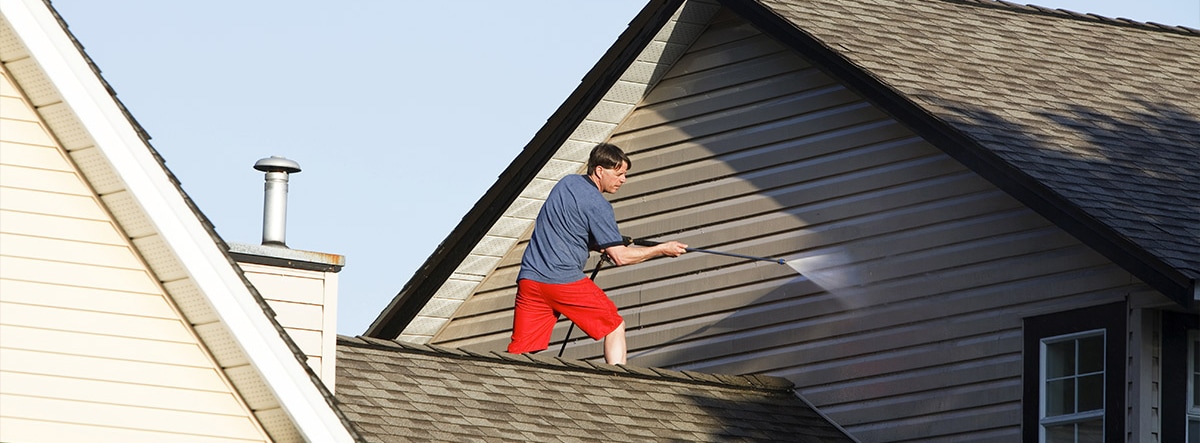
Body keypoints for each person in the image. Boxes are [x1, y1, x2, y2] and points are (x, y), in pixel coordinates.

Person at [507, 143, 688, 365]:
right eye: (619, 174)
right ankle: (618, 381)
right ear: (600, 170)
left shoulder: (567, 184)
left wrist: (598, 243)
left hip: (530, 280)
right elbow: (620, 257)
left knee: (522, 351)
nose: (623, 180)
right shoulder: (598, 205)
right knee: (614, 326)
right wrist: (662, 249)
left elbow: (568, 229)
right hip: (563, 281)